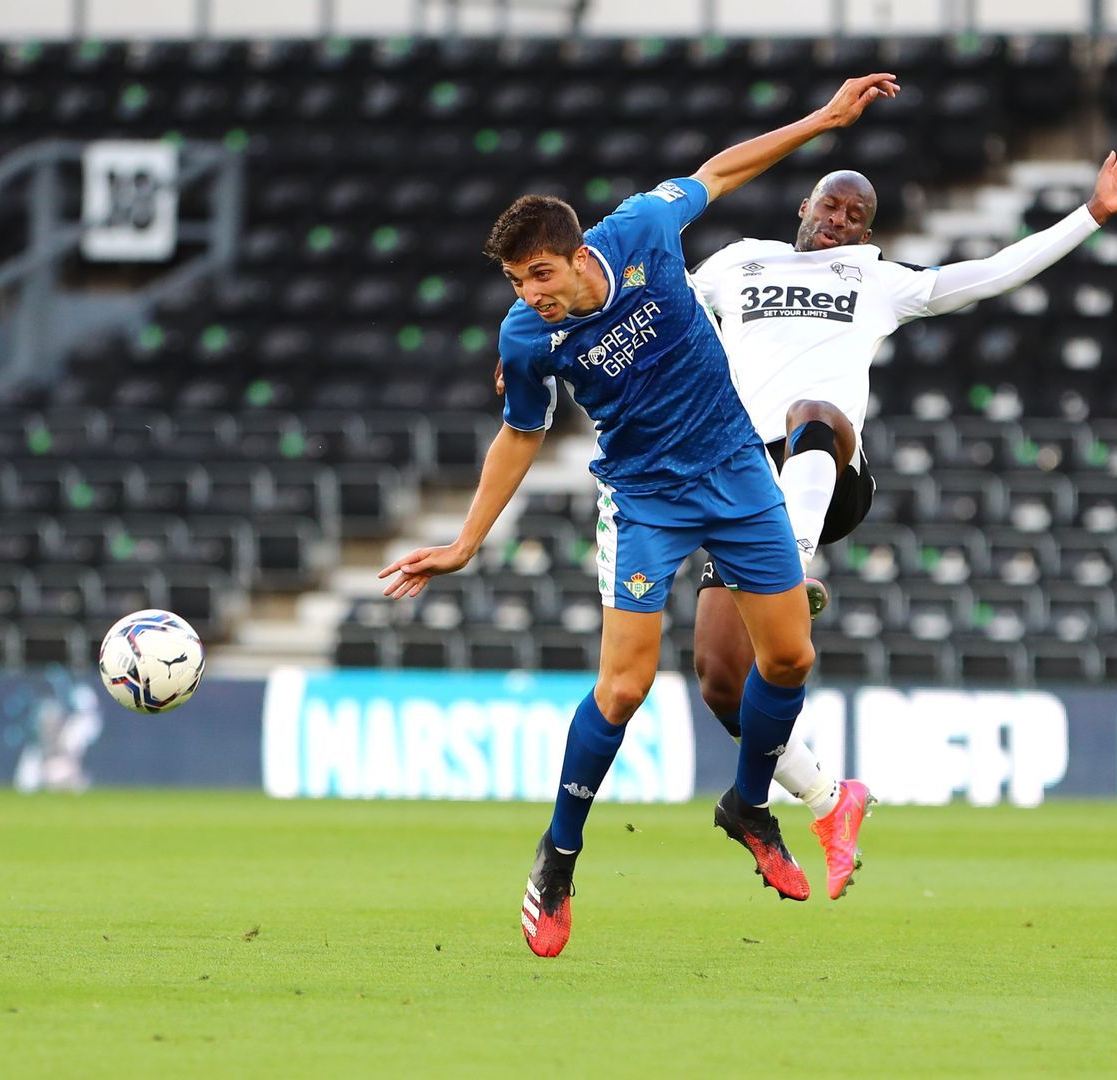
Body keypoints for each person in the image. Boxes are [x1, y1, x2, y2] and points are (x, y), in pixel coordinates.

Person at [379, 73, 902, 958]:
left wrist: (824, 118)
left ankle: (750, 807)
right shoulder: (526, 336)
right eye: (514, 280)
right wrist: (467, 541)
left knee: (789, 657)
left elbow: (721, 171)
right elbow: (520, 436)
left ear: (578, 253)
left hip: (736, 470)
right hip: (644, 498)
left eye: (539, 275)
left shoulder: (641, 231)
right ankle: (558, 859)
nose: (528, 293)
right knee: (624, 688)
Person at [685, 146, 1117, 900]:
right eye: (831, 205)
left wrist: (1091, 214)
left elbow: (993, 272)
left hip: (825, 473)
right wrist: (544, 345)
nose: (840, 220)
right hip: (743, 483)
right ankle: (827, 800)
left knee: (814, 412)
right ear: (803, 208)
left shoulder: (876, 279)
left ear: (868, 233)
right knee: (720, 678)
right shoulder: (737, 263)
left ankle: (791, 570)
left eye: (857, 215)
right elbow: (642, 302)